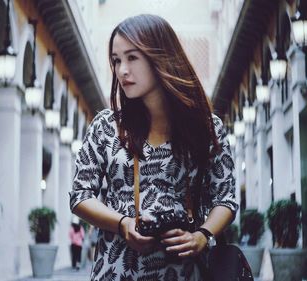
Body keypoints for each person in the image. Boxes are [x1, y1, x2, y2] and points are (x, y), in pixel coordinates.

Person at [70, 14, 238, 280]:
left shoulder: (207, 128)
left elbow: (226, 198)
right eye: (116, 60)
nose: (122, 70)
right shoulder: (106, 125)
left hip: (185, 271)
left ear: (160, 56)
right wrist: (123, 223)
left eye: (132, 57)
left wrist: (202, 236)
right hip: (118, 272)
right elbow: (80, 195)